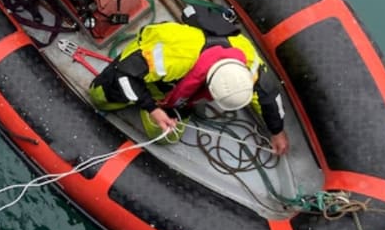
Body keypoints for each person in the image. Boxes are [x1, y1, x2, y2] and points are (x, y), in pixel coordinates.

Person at [88, 21, 289, 155]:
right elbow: (125, 73)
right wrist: (153, 109)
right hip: (143, 66)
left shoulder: (248, 61)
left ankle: (159, 103)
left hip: (178, 85)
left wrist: (277, 130)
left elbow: (267, 94)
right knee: (98, 98)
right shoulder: (175, 57)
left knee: (168, 136)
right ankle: (143, 102)